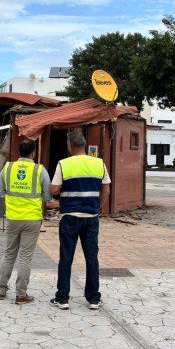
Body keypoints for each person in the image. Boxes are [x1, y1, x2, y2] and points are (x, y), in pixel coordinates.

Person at [49, 130, 110, 310]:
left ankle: (62, 298)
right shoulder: (99, 163)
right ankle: (93, 299)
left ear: (69, 145)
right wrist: (97, 207)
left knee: (66, 257)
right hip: (91, 218)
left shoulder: (64, 164)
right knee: (91, 258)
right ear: (84, 144)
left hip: (69, 217)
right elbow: (106, 189)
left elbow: (53, 190)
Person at [0, 139, 51, 305]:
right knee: (25, 257)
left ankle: (1, 291)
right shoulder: (40, 170)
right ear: (33, 153)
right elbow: (47, 196)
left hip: (13, 218)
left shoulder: (8, 168)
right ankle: (21, 295)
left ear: (19, 151)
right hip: (32, 219)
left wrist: (12, 200)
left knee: (9, 254)